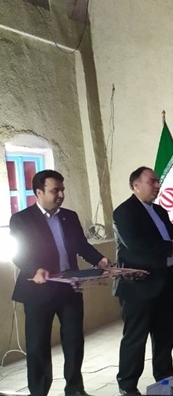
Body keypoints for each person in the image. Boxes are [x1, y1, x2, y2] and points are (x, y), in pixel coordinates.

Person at [10, 169, 111, 396]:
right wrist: (34, 269)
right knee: (38, 346)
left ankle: (75, 388)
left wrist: (100, 259)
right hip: (38, 290)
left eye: (62, 190)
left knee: (74, 341)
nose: (61, 195)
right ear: (39, 192)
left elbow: (81, 245)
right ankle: (39, 391)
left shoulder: (69, 216)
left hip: (69, 287)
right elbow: (18, 253)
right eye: (55, 190)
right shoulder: (21, 219)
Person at [113, 167, 173, 396]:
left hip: (164, 282)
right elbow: (137, 246)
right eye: (152, 181)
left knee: (165, 336)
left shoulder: (159, 210)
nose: (157, 186)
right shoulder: (124, 212)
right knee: (135, 338)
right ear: (135, 185)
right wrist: (172, 244)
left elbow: (170, 234)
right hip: (138, 286)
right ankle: (127, 385)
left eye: (158, 181)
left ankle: (165, 380)